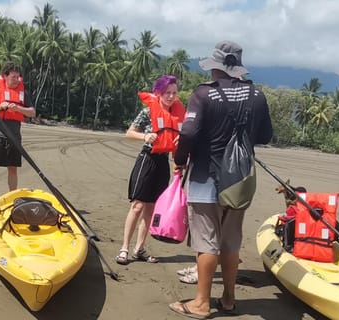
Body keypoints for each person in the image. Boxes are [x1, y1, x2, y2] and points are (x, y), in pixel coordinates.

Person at [169, 40, 273, 318]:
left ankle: (201, 303)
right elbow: (265, 136)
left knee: (206, 242)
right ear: (237, 68)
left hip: (206, 177)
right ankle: (228, 298)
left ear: (216, 68)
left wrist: (179, 160)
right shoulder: (257, 95)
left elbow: (189, 133)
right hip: (240, 180)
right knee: (230, 241)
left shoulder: (204, 94)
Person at [115, 75, 185, 265]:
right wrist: (145, 136)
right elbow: (129, 133)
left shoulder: (178, 116)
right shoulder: (147, 112)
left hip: (163, 163)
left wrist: (178, 165)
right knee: (137, 206)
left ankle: (139, 249)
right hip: (146, 160)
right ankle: (124, 248)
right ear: (159, 93)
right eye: (167, 93)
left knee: (151, 209)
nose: (171, 97)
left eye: (174, 93)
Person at [0, 62, 36, 205]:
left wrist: (18, 108)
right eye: (13, 77)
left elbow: (32, 112)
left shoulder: (23, 94)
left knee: (13, 169)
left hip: (14, 135)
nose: (16, 80)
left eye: (18, 77)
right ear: (5, 76)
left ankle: (12, 197)